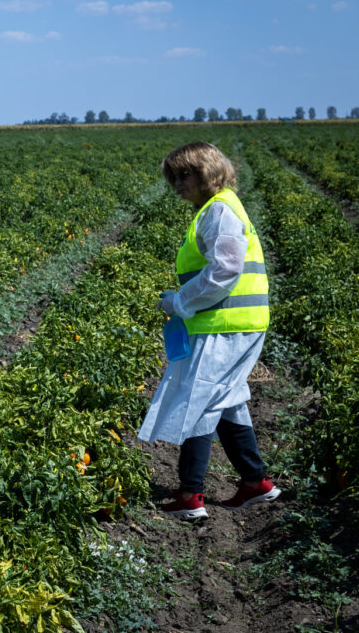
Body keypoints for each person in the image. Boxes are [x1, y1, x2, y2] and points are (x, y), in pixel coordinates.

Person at [138, 142, 280, 520]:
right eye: (174, 177)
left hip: (225, 325)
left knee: (198, 400)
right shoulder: (217, 209)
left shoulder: (219, 210)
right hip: (233, 324)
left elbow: (224, 271)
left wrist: (178, 302)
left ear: (208, 172)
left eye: (186, 174)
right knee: (227, 400)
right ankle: (256, 483)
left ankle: (190, 495)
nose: (178, 184)